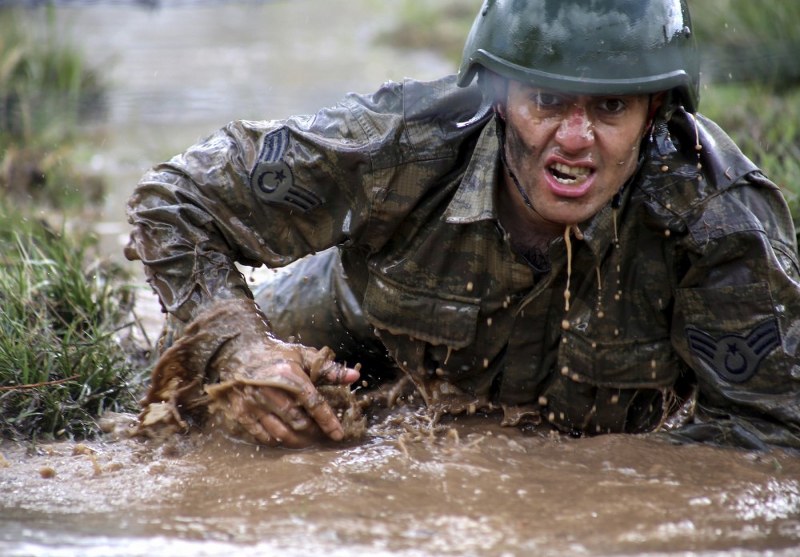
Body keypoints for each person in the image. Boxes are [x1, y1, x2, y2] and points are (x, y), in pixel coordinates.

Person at [125, 0, 800, 451]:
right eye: (548, 99)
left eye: (612, 107)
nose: (575, 138)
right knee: (208, 403)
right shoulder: (399, 143)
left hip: (598, 421)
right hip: (364, 314)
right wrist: (240, 350)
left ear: (655, 114)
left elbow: (769, 436)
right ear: (499, 94)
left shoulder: (721, 224)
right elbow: (175, 199)